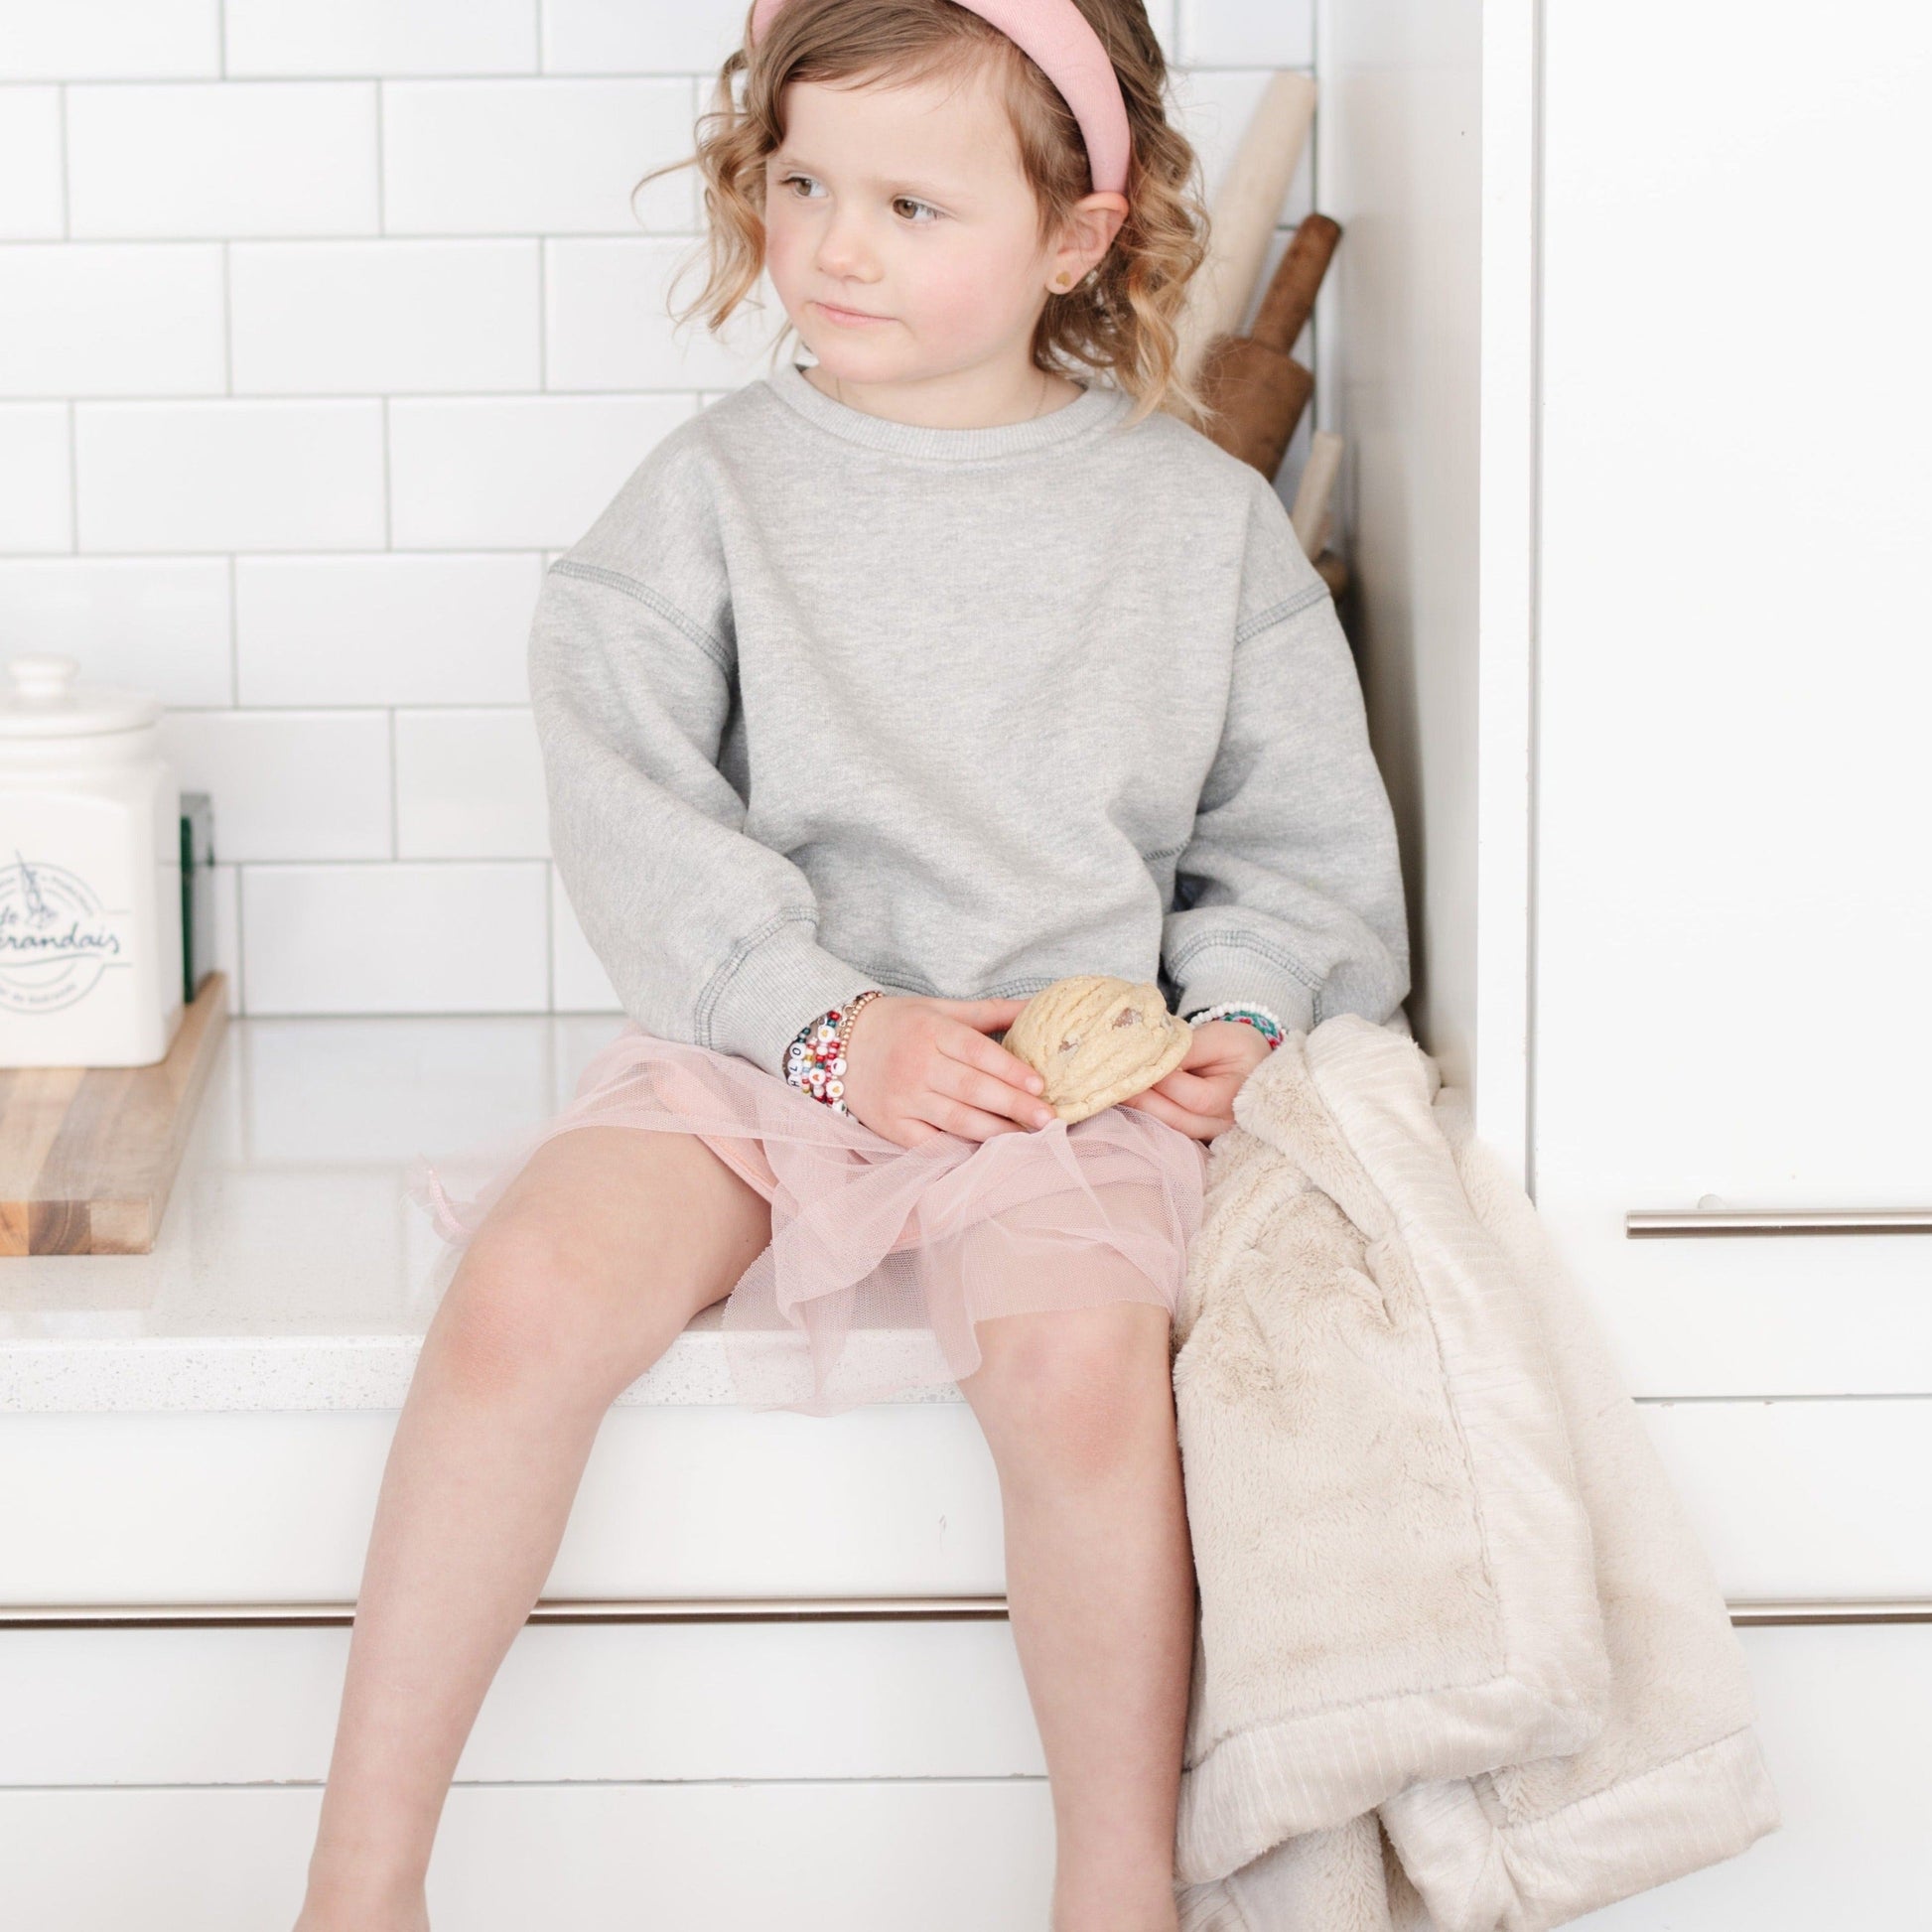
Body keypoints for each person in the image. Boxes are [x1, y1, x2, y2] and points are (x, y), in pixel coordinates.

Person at [293, 1, 1408, 1927]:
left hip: (1056, 1081)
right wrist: (824, 1024)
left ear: (1071, 237)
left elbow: (1294, 840)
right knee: (522, 1295)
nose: (835, 243)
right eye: (803, 182)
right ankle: (359, 1882)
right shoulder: (711, 494)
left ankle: (1111, 1888)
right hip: (764, 1042)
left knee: (1077, 1369)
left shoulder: (1192, 522)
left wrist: (1236, 1013)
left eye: (908, 200)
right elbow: (629, 797)